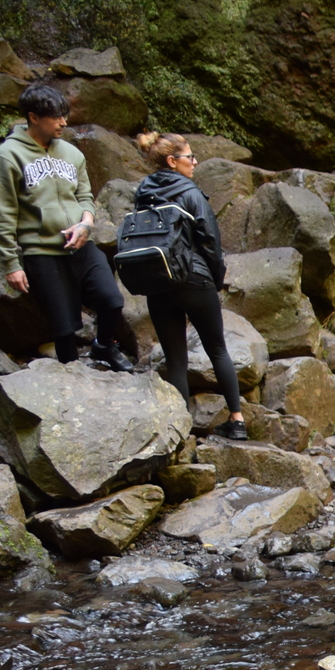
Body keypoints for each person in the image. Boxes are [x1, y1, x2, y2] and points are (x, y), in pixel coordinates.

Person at [0, 82, 131, 372]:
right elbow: (4, 212)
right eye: (56, 117)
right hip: (42, 252)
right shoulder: (7, 157)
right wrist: (11, 264)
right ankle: (71, 379)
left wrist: (86, 225)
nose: (64, 123)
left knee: (112, 301)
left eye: (64, 116)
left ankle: (104, 346)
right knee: (64, 328)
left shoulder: (71, 153)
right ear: (33, 117)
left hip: (81, 245)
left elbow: (86, 197)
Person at [133, 132, 248, 440]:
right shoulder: (190, 193)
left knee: (175, 359)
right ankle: (237, 420)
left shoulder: (142, 193)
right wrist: (216, 278)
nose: (195, 162)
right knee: (217, 348)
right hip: (194, 278)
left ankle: (181, 432)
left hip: (158, 279)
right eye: (190, 157)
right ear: (173, 161)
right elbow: (210, 241)